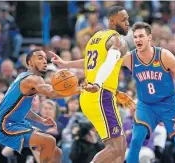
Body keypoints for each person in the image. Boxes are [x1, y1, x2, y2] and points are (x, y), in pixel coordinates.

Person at [49, 6, 135, 163]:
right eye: (124, 20)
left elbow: (90, 63)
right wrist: (98, 82)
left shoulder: (96, 37)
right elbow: (110, 61)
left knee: (119, 148)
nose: (128, 23)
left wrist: (66, 63)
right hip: (101, 94)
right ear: (112, 21)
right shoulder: (118, 40)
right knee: (116, 148)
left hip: (90, 96)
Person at [121, 22, 175, 163]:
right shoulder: (130, 58)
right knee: (135, 141)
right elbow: (103, 63)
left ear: (149, 38)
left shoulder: (164, 56)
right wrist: (69, 64)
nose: (137, 40)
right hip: (146, 106)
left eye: (141, 36)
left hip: (169, 104)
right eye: (135, 37)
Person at [0, 49, 78, 163]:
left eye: (45, 58)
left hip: (17, 123)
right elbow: (52, 93)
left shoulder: (23, 76)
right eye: (39, 58)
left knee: (57, 152)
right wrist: (79, 90)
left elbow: (21, 109)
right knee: (49, 141)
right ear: (30, 63)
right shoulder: (32, 79)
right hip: (5, 125)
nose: (44, 61)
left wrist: (41, 120)